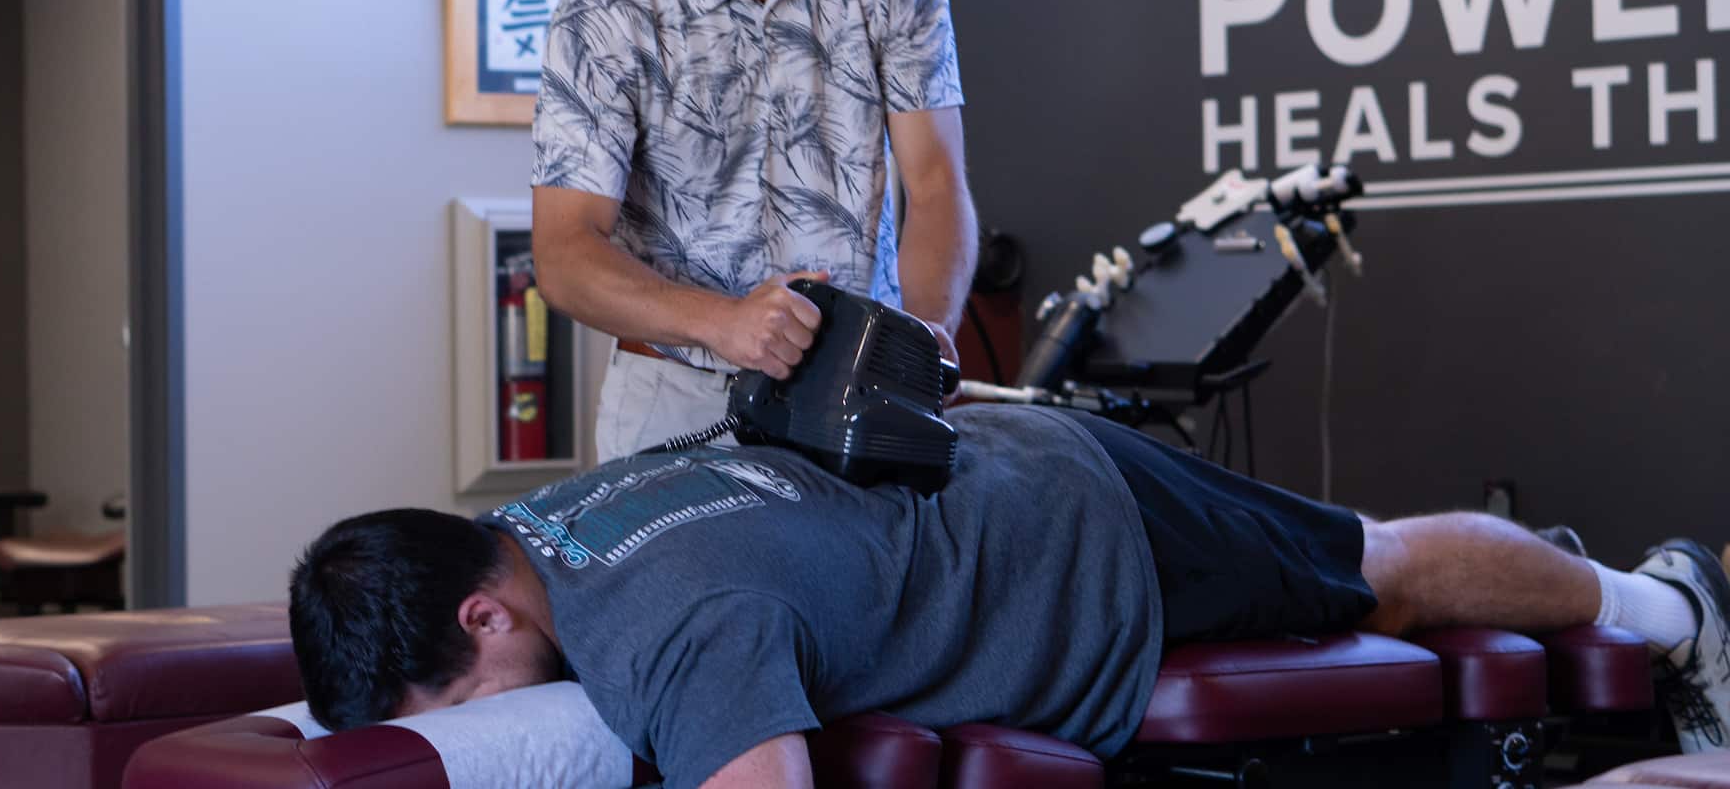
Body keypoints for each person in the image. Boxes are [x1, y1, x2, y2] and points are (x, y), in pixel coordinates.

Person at [289, 404, 1730, 788]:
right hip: (993, 466)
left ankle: (1666, 607)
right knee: (1376, 565)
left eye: (459, 712)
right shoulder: (547, 517)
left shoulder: (662, 628)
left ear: (485, 617)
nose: (488, 726)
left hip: (1073, 530)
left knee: (1391, 576)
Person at [528, 0, 976, 460]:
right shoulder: (602, 13)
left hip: (863, 389)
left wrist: (926, 335)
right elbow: (566, 253)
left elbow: (934, 182)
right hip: (676, 400)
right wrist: (724, 322)